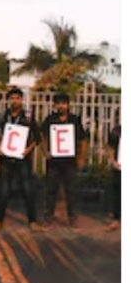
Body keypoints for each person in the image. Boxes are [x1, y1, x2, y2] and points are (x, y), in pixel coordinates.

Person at [0, 87, 42, 232]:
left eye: (18, 98)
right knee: (3, 190)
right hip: (6, 158)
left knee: (27, 189)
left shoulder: (28, 117)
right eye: (12, 98)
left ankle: (33, 221)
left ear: (22, 100)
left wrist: (27, 150)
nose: (15, 101)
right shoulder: (2, 116)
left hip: (23, 159)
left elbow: (37, 138)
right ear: (8, 100)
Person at [40, 92, 88, 228]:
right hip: (54, 161)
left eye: (64, 103)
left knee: (71, 190)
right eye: (58, 103)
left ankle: (72, 217)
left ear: (68, 105)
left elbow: (83, 139)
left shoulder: (74, 120)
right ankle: (48, 216)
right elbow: (42, 136)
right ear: (55, 105)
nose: (61, 106)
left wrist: (82, 157)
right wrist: (45, 151)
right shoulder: (50, 119)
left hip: (70, 161)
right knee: (51, 189)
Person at [107, 120, 121, 231]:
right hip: (120, 167)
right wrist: (113, 162)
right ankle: (116, 219)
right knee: (118, 193)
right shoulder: (117, 131)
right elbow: (110, 148)